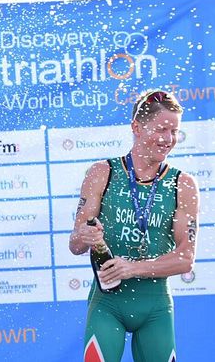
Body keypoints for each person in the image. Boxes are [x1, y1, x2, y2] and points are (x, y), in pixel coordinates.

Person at [68, 89, 199, 362]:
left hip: (155, 308)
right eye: (162, 129)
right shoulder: (102, 173)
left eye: (174, 131)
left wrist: (131, 268)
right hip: (108, 303)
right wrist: (86, 235)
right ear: (137, 127)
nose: (168, 139)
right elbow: (75, 245)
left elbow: (185, 259)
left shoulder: (182, 184)